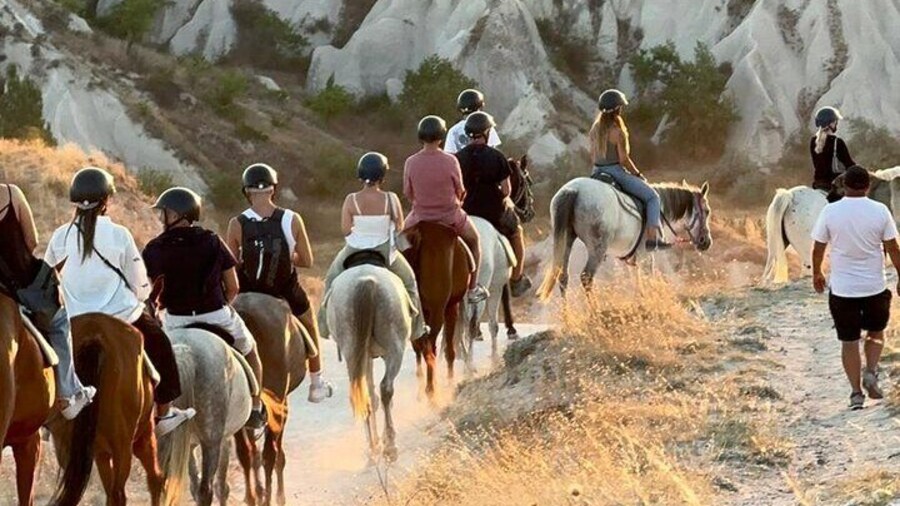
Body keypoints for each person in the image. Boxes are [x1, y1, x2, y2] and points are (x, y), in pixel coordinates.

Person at [45, 167, 194, 436]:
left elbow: (47, 277)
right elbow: (139, 283)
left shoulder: (60, 235)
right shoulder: (120, 234)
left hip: (73, 318)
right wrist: (143, 296)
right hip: (120, 315)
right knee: (160, 345)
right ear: (107, 201)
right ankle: (165, 413)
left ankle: (52, 410)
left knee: (46, 353)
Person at [142, 187, 267, 429]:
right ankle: (255, 408)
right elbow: (233, 286)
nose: (161, 217)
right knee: (251, 351)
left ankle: (155, 412)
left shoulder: (153, 249)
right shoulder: (211, 240)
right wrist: (222, 307)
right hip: (216, 314)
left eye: (165, 212)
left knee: (155, 362)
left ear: (179, 214)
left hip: (176, 320)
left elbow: (150, 293)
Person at [226, 163, 333, 403]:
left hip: (247, 288)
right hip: (283, 288)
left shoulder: (237, 223)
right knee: (309, 321)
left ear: (247, 191)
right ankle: (316, 382)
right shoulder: (292, 219)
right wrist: (286, 255)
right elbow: (306, 260)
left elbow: (230, 264)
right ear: (273, 189)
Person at [0, 183, 95, 420]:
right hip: (24, 283)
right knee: (59, 324)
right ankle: (68, 393)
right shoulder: (12, 194)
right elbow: (31, 241)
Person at [811, 166, 900, 410]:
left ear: (844, 187)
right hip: (874, 286)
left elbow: (818, 248)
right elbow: (893, 248)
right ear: (868, 187)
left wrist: (816, 272)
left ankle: (855, 394)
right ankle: (870, 371)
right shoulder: (880, 210)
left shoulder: (830, 211)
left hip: (843, 290)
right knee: (876, 333)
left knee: (849, 341)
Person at [318, 153, 427, 339]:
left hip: (354, 249)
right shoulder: (391, 199)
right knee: (410, 282)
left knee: (330, 281)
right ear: (382, 175)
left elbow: (345, 230)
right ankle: (418, 328)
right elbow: (400, 226)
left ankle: (324, 326)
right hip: (384, 250)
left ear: (360, 174)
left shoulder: (351, 200)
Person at [403, 115, 488, 302]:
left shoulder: (410, 162)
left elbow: (408, 192)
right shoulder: (451, 161)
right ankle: (473, 288)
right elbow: (461, 190)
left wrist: (421, 204)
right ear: (441, 136)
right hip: (450, 217)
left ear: (420, 136)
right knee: (475, 241)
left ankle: (401, 287)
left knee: (398, 245)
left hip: (419, 217)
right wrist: (457, 202)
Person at [455, 111, 532, 297]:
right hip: (493, 212)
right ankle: (516, 279)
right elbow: (506, 190)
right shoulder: (497, 156)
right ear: (487, 133)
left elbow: (455, 189)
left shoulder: (457, 157)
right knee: (516, 232)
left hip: (466, 211)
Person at [589, 89, 671, 250]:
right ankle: (652, 240)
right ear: (617, 109)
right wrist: (637, 174)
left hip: (595, 172)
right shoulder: (617, 132)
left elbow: (592, 157)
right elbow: (623, 159)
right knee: (653, 197)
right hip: (615, 172)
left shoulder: (594, 130)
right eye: (621, 107)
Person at [811, 106, 856, 201]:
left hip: (818, 184)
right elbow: (850, 165)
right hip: (834, 185)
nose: (836, 124)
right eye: (835, 121)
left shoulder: (813, 141)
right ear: (831, 123)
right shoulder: (837, 142)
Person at [444, 89, 503, 155]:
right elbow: (493, 148)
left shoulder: (453, 130)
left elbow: (450, 154)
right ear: (479, 107)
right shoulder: (486, 127)